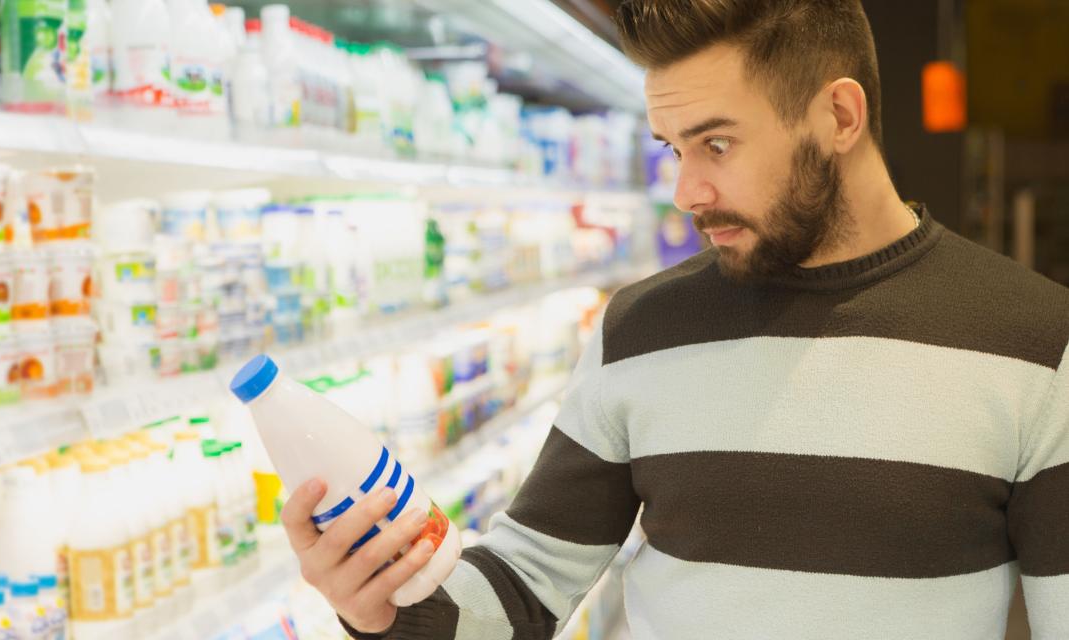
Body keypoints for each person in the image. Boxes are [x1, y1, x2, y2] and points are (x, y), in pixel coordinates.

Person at [281, 0, 1069, 637]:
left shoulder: (1036, 342)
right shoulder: (640, 330)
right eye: (671, 148)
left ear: (838, 115)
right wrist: (384, 603)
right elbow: (522, 593)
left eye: (716, 144)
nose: (685, 191)